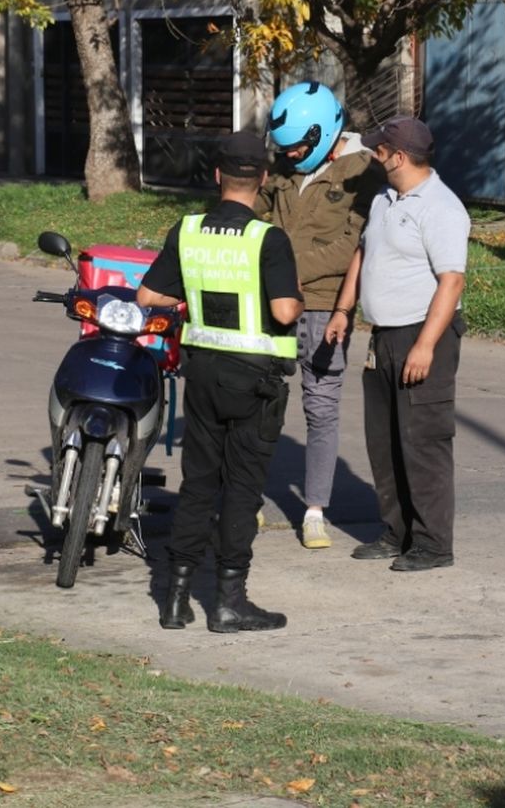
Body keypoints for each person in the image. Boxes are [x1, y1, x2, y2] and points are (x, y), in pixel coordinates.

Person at [138, 130, 304, 632]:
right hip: (254, 383)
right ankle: (230, 600)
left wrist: (192, 295)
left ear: (217, 177)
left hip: (204, 374)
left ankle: (175, 597)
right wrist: (296, 300)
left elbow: (149, 298)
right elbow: (282, 309)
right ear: (264, 180)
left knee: (198, 483)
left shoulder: (187, 231)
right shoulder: (268, 239)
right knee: (242, 490)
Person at [327, 116, 468, 572]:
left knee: (422, 441)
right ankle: (396, 531)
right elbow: (363, 253)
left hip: (422, 333)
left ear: (400, 157)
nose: (373, 155)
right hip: (383, 335)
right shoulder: (385, 199)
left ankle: (432, 544)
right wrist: (343, 310)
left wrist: (425, 346)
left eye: (379, 150)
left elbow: (452, 282)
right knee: (383, 440)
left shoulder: (442, 208)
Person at [257, 80, 386, 550]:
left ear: (322, 132)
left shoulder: (363, 173)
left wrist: (282, 272)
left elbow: (350, 247)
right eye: (284, 150)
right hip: (269, 300)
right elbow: (259, 208)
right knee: (256, 397)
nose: (289, 157)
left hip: (323, 304)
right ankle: (248, 493)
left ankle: (315, 510)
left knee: (320, 405)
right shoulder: (285, 166)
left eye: (296, 149)